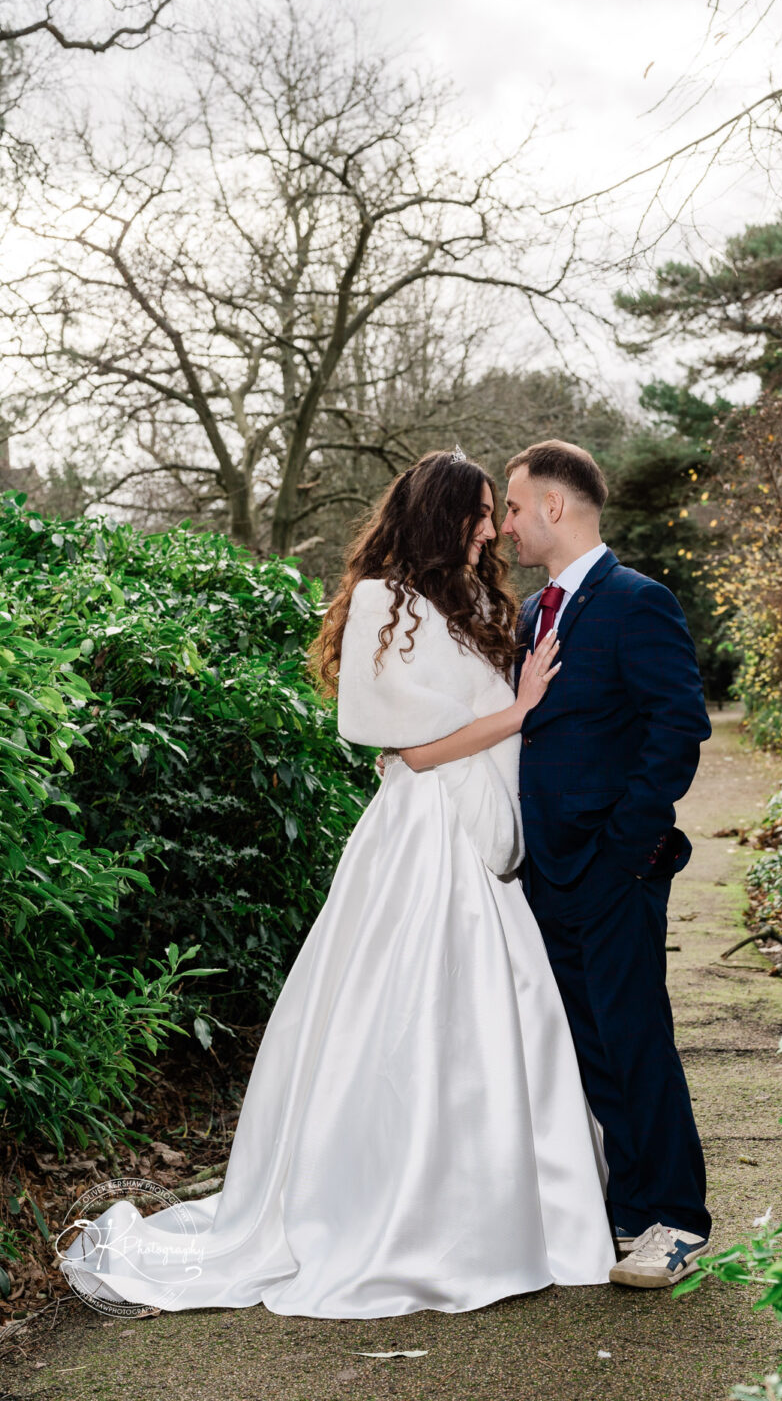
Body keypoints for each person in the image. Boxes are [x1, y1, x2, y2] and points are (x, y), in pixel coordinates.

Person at [61, 449, 614, 1319]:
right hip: (421, 837)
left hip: (484, 839)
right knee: (402, 1024)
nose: (488, 528)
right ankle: (396, 1220)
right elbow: (407, 748)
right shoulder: (379, 604)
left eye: (492, 511)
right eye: (474, 512)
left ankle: (512, 1208)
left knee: (502, 1023)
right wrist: (519, 708)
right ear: (436, 517)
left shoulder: (475, 602)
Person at [502, 439, 714, 1289]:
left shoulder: (636, 602)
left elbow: (678, 728)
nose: (507, 524)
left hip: (614, 869)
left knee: (636, 1040)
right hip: (543, 873)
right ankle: (629, 1207)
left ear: (555, 506)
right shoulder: (528, 615)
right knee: (589, 1045)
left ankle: (677, 1219)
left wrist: (624, 852)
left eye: (514, 507)